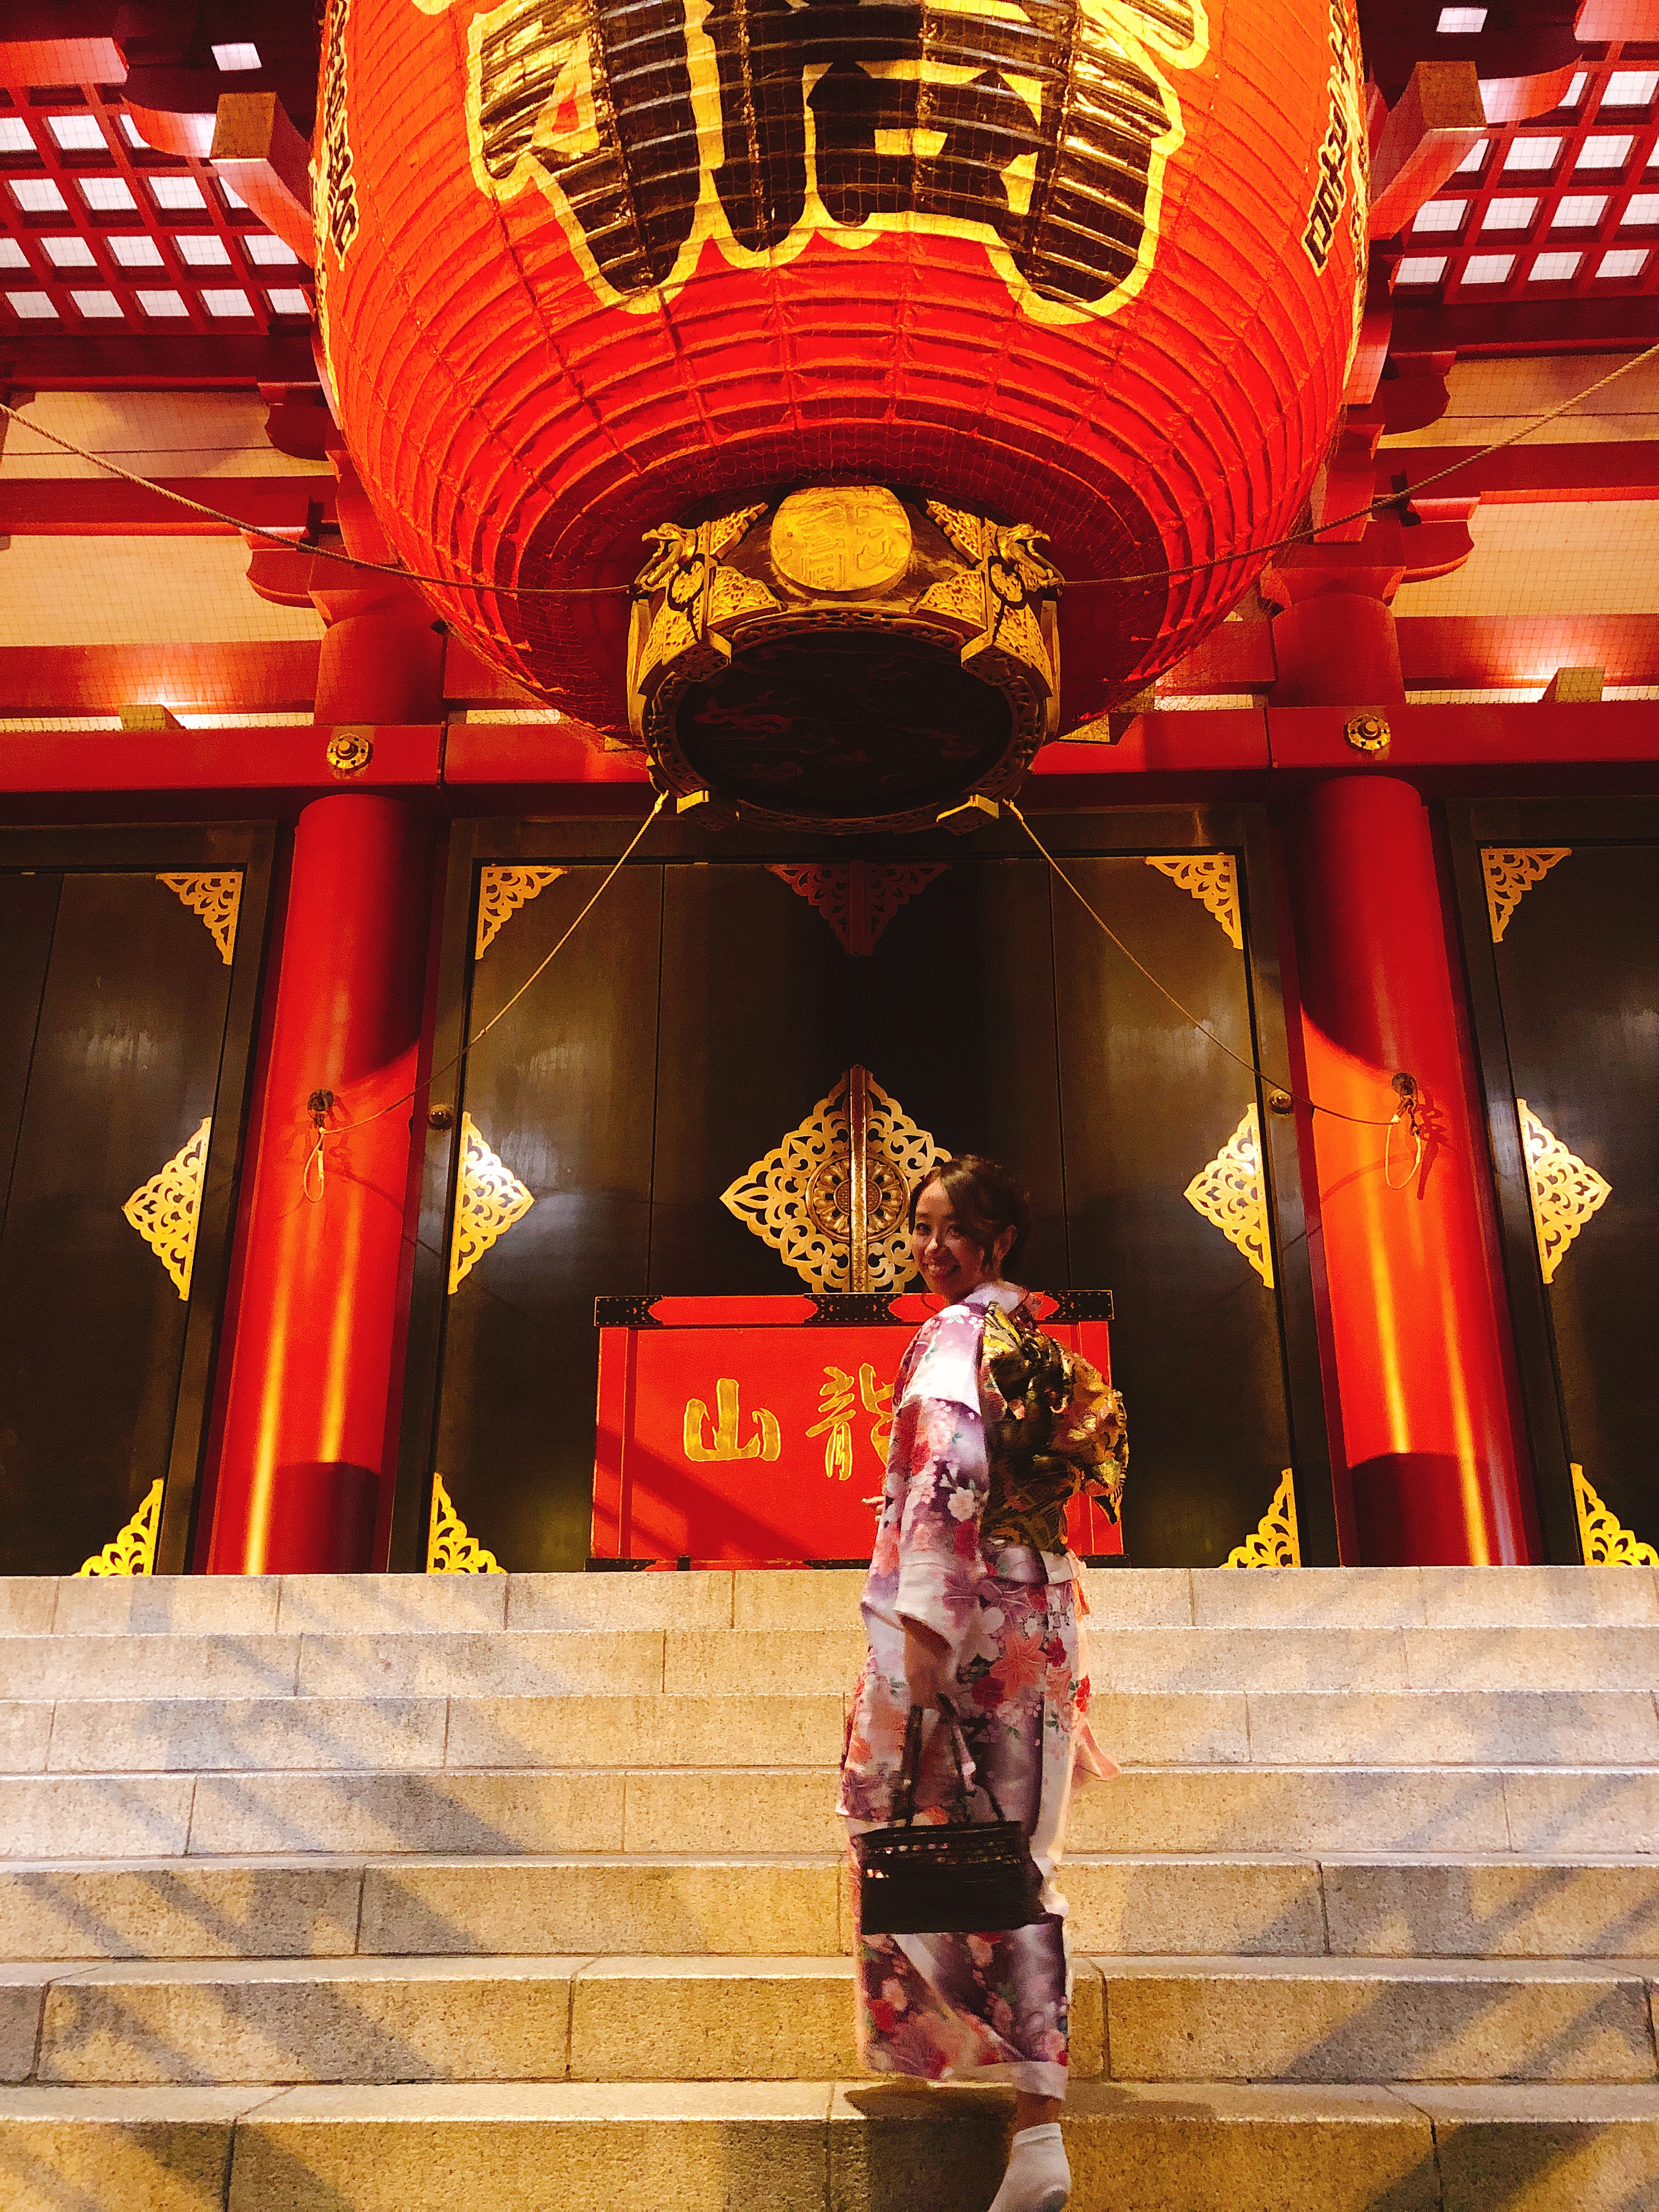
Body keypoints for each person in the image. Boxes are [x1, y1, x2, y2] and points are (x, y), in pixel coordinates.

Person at [839, 1155, 1128, 2212]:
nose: (925, 1250)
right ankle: (1032, 2115)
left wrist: (925, 1625)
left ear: (996, 1241)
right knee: (1019, 1851)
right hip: (1036, 1605)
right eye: (918, 1230)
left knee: (940, 1841)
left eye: (942, 1229)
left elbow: (948, 1470)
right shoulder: (1036, 1340)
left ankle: (1037, 2127)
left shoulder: (959, 1334)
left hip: (969, 1615)